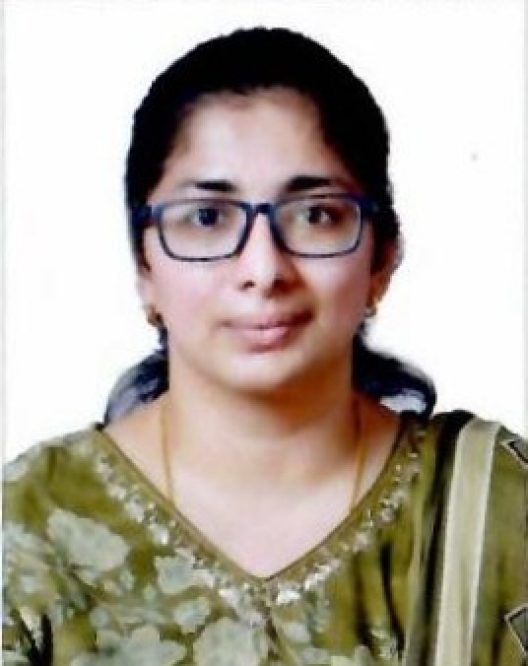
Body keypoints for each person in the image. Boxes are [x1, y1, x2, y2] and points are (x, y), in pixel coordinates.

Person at [3, 27, 526, 666]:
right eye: (207, 217)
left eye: (316, 215)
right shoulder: (29, 529)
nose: (263, 269)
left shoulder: (500, 510)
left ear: (382, 258)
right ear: (144, 267)